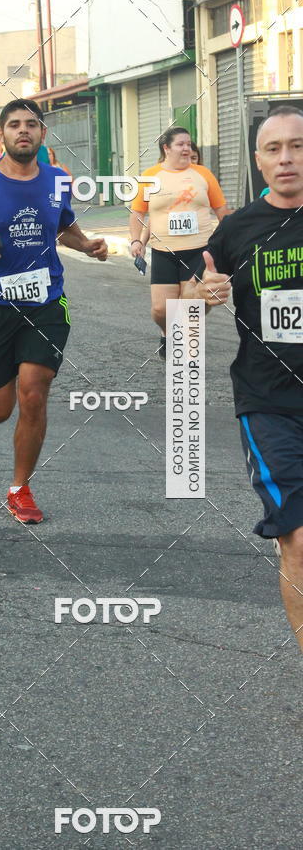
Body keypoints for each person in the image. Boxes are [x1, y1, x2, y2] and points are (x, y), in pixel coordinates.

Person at [0, 99, 108, 524]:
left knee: (33, 391)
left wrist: (86, 244)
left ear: (42, 134)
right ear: (2, 134)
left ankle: (20, 489)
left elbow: (64, 226)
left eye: (31, 125)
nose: (23, 131)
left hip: (45, 301)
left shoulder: (56, 179)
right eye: (14, 125)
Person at [187, 105, 303, 652]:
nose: (287, 158)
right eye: (274, 149)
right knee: (297, 538)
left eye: (297, 145)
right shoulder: (235, 231)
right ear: (258, 162)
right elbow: (176, 317)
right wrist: (199, 298)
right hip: (270, 401)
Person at [129, 127, 230, 359]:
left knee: (194, 303)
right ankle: (167, 332)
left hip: (199, 250)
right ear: (166, 148)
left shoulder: (203, 174)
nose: (187, 148)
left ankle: (184, 345)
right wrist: (136, 240)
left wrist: (230, 241)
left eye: (188, 144)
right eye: (180, 144)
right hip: (164, 252)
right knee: (160, 309)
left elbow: (222, 211)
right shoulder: (150, 176)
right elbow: (137, 213)